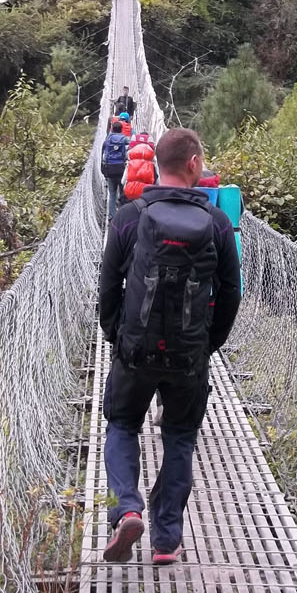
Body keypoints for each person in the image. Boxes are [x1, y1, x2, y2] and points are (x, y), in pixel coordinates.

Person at [99, 127, 241, 565]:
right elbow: (232, 292)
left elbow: (107, 285)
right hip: (189, 356)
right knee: (180, 438)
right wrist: (208, 345)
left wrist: (115, 335)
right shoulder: (218, 223)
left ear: (156, 165)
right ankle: (166, 541)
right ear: (195, 164)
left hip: (135, 350)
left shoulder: (129, 214)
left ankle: (128, 507)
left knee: (122, 424)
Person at [100, 115, 130, 221]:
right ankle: (121, 216)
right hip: (121, 169)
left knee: (112, 194)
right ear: (121, 129)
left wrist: (103, 170)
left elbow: (103, 156)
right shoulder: (125, 139)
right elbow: (131, 147)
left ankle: (112, 216)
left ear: (111, 129)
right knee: (122, 193)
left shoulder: (107, 140)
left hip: (110, 169)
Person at [123, 130, 156, 200]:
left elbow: (123, 181)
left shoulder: (130, 162)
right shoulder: (152, 163)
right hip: (146, 194)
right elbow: (158, 181)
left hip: (131, 193)